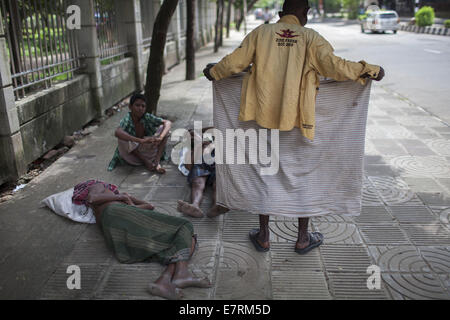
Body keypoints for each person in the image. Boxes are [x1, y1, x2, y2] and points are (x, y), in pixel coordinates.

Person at [203, 0, 385, 254]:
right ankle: (302, 238)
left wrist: (214, 72)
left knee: (265, 173)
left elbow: (234, 63)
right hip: (299, 122)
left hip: (261, 120)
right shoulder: (310, 37)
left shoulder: (260, 33)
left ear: (280, 14)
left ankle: (264, 236)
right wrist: (370, 70)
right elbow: (336, 66)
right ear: (305, 13)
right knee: (303, 176)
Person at [84, 181, 211, 300]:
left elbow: (150, 206)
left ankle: (164, 281)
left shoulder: (120, 197)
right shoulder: (99, 185)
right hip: (116, 214)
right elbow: (91, 198)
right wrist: (121, 197)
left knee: (188, 239)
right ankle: (181, 274)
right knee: (184, 225)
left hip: (124, 230)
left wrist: (130, 199)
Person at [107, 93, 171, 174]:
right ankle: (147, 162)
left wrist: (160, 138)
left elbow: (168, 122)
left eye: (143, 106)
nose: (140, 108)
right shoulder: (127, 119)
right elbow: (117, 132)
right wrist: (140, 141)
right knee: (122, 138)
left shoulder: (147, 117)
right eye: (137, 105)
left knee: (164, 130)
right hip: (133, 157)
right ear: (130, 107)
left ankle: (157, 162)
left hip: (150, 152)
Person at [176, 127, 224, 218]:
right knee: (198, 184)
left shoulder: (213, 140)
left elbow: (217, 127)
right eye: (190, 137)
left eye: (194, 134)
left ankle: (216, 206)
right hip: (200, 166)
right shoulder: (189, 149)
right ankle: (195, 206)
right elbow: (188, 167)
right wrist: (198, 146)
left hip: (216, 165)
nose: (193, 137)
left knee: (218, 184)